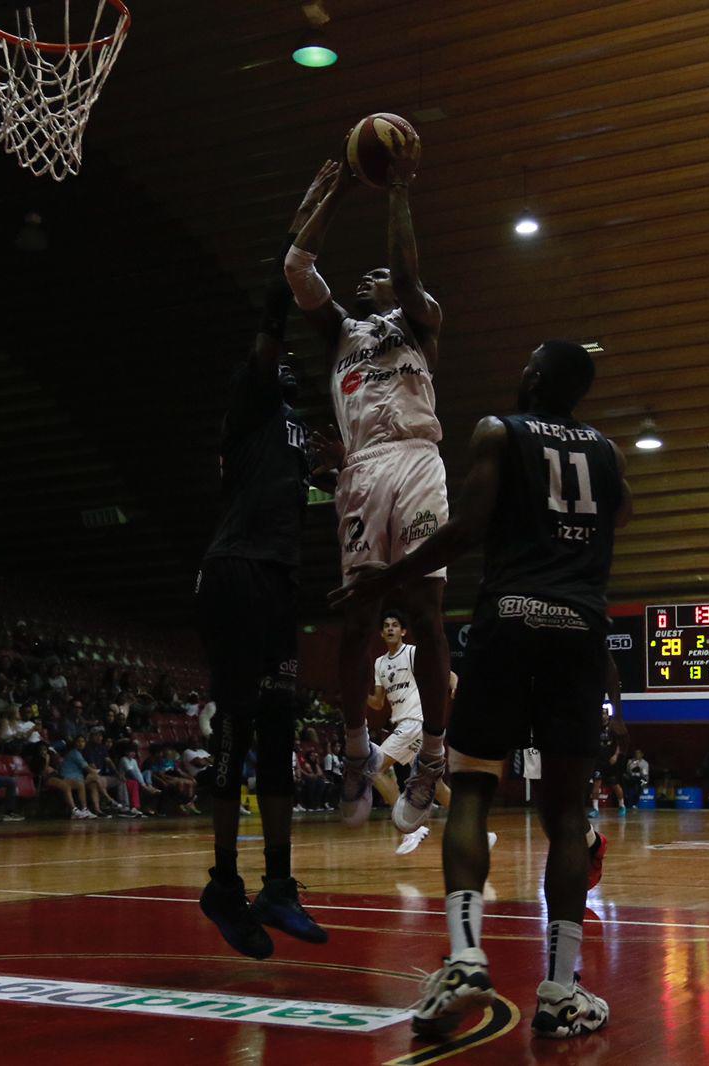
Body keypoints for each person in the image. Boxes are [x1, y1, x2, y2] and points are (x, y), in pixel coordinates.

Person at [333, 340, 627, 1040]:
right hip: (579, 629)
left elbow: (464, 529)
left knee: (469, 788)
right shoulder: (608, 454)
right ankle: (560, 990)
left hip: (511, 617)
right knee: (565, 816)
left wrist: (385, 576)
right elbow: (618, 520)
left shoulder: (500, 430)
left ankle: (466, 955)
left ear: (532, 378)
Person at [194, 166, 338, 961]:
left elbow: (313, 484)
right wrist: (303, 228)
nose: (285, 363)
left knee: (282, 728)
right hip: (237, 571)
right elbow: (275, 309)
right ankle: (223, 883)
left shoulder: (291, 434)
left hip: (278, 578)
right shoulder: (251, 403)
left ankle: (278, 883)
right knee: (239, 731)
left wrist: (338, 474)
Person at [286, 152, 453, 831]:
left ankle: (433, 758)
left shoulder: (420, 321)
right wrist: (330, 191)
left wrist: (397, 190)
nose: (368, 276)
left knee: (425, 614)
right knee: (358, 618)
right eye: (365, 274)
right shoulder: (341, 334)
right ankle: (357, 751)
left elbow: (408, 274)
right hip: (362, 470)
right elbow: (298, 267)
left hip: (416, 460)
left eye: (376, 273)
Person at [366, 610, 460, 854]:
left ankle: (412, 828)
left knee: (373, 768)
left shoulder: (412, 652)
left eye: (395, 625)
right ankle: (479, 830)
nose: (390, 629)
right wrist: (357, 695)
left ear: (403, 631)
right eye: (386, 625)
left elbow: (442, 669)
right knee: (435, 785)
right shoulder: (379, 663)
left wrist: (454, 682)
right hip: (406, 726)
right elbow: (377, 703)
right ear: (381, 632)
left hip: (415, 722)